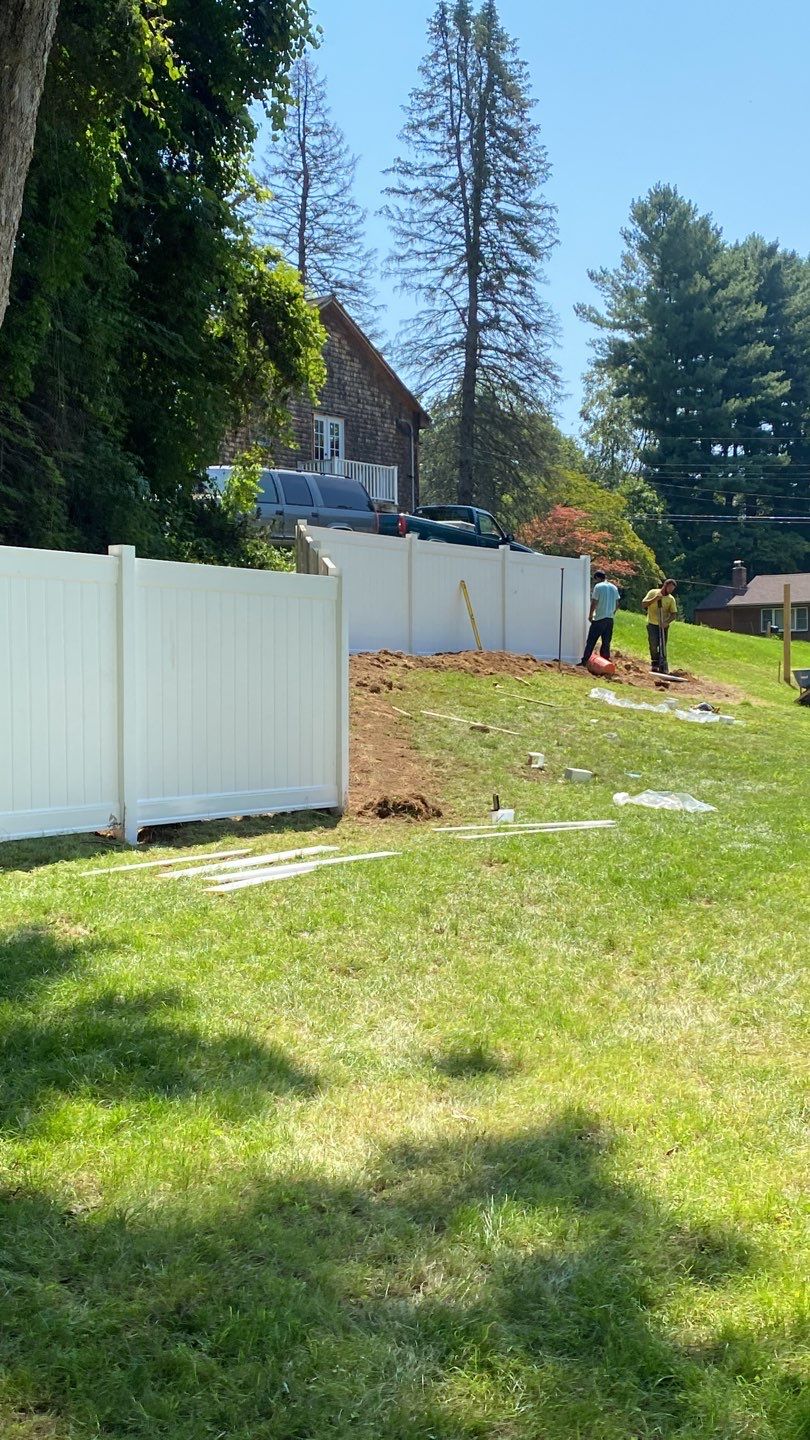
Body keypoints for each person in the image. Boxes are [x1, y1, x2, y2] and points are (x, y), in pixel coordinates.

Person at [580, 570, 620, 665]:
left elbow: (594, 602)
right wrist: (612, 613)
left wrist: (590, 615)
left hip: (599, 618)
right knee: (606, 643)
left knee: (591, 641)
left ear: (597, 578)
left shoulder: (598, 587)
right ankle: (604, 663)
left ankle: (585, 661)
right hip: (609, 619)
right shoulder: (614, 587)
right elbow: (617, 604)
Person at [642, 579, 678, 672]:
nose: (670, 590)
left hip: (663, 625)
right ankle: (655, 662)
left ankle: (663, 664)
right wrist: (655, 599)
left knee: (662, 645)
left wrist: (666, 622)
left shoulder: (671, 599)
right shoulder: (653, 592)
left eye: (672, 589)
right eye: (669, 588)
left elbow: (674, 614)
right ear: (665, 586)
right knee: (653, 644)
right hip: (652, 623)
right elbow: (643, 604)